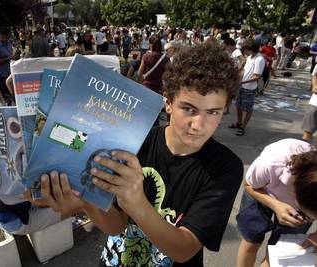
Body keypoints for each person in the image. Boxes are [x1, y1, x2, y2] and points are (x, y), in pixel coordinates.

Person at [30, 41, 243, 266]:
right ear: (168, 102)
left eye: (213, 112)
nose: (198, 125)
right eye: (189, 109)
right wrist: (85, 200)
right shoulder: (134, 142)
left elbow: (184, 250)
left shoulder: (225, 167)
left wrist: (136, 202)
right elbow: (116, 226)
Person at [236, 138, 317, 267]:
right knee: (251, 240)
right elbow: (248, 185)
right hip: (260, 190)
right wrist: (276, 205)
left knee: (279, 250)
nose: (308, 219)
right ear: (294, 192)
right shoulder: (272, 163)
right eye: (306, 215)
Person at [229, 39, 266, 136]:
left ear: (252, 49)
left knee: (248, 108)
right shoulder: (250, 57)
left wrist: (243, 81)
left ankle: (243, 127)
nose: (244, 52)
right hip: (242, 86)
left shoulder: (259, 59)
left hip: (249, 88)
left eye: (246, 49)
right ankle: (239, 122)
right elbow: (244, 70)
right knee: (238, 106)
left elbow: (256, 77)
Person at [0, 28, 18, 97]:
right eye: (2, 37)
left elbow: (10, 54)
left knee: (11, 94)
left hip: (9, 73)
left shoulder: (8, 43)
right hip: (0, 75)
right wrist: (8, 58)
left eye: (6, 37)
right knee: (4, 95)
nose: (4, 39)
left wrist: (14, 57)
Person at [302, 64, 317, 143]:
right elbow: (315, 75)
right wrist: (314, 86)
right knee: (308, 130)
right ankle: (305, 151)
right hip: (315, 103)